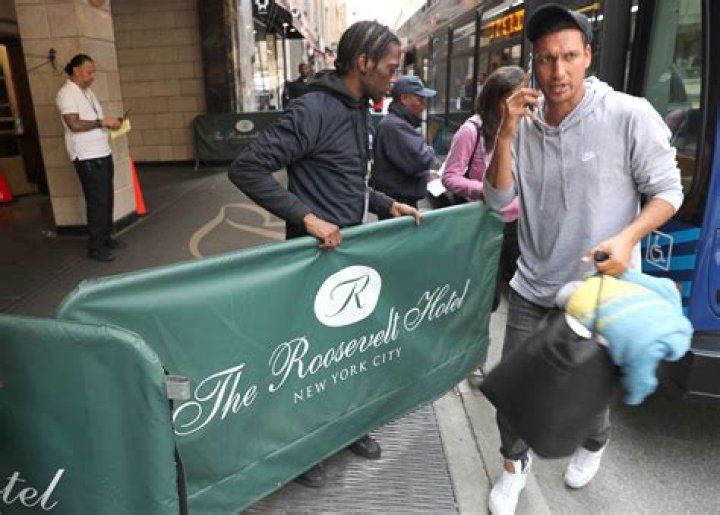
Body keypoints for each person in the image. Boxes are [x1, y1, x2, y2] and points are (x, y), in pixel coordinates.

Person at [482, 5, 683, 514]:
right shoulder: (523, 125)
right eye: (547, 59)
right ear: (534, 63)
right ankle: (513, 468)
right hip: (533, 284)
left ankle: (595, 441)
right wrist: (505, 133)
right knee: (515, 391)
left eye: (569, 56)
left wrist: (628, 238)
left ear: (588, 56)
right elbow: (497, 201)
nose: (558, 71)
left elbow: (668, 191)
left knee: (586, 397)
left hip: (600, 291)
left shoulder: (628, 114)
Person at [228, 20, 420, 487]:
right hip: (312, 261)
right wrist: (308, 218)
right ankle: (302, 448)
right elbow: (247, 168)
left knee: (345, 354)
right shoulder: (313, 109)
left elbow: (345, 178)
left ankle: (345, 428)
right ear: (363, 63)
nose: (394, 79)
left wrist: (385, 203)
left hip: (349, 258)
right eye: (390, 68)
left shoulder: (360, 110)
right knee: (307, 361)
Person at [442, 66, 523, 311]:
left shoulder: (526, 127)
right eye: (512, 99)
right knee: (487, 297)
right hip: (484, 224)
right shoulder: (471, 131)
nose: (518, 106)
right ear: (495, 99)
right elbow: (450, 177)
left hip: (517, 225)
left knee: (521, 291)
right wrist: (485, 190)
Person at [56, 54, 125, 262]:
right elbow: (74, 124)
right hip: (87, 157)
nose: (92, 76)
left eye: (94, 72)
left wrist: (112, 124)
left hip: (102, 152)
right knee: (97, 201)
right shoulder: (66, 94)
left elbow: (93, 120)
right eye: (89, 72)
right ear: (76, 70)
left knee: (106, 198)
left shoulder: (87, 92)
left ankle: (106, 237)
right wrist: (103, 122)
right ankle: (96, 246)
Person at [370, 75, 440, 215]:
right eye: (420, 99)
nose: (423, 105)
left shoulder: (396, 123)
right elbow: (421, 159)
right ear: (404, 98)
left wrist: (425, 174)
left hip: (398, 201)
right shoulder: (394, 126)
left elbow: (403, 165)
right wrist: (430, 151)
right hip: (397, 203)